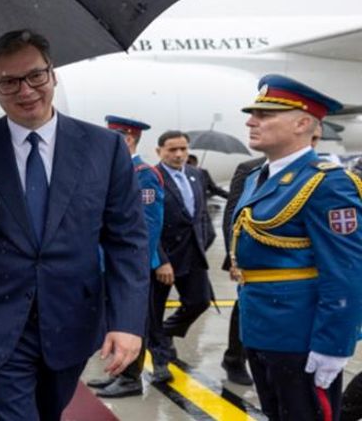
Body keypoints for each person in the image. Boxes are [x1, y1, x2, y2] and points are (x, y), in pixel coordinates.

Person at [0, 29, 149, 420]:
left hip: (71, 322)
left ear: (53, 74)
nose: (26, 90)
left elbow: (127, 241)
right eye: (9, 82)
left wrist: (128, 322)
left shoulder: (104, 148)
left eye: (35, 75)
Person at [232, 74, 362, 420]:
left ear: (303, 124)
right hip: (260, 329)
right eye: (252, 114)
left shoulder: (327, 183)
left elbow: (345, 271)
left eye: (264, 115)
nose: (251, 122)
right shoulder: (256, 178)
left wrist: (334, 345)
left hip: (301, 336)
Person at [87, 115, 164, 398]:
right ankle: (120, 373)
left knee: (132, 320)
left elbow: (149, 226)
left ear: (128, 139)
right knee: (116, 319)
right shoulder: (116, 171)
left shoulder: (143, 174)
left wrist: (134, 266)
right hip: (110, 261)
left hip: (131, 266)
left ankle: (131, 378)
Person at [149, 130, 213, 383]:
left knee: (200, 301)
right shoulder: (151, 177)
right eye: (172, 150)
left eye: (183, 149)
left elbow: (201, 215)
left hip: (192, 253)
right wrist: (160, 260)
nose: (179, 154)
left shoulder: (197, 175)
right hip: (162, 258)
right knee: (153, 311)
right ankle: (160, 361)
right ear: (159, 151)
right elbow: (146, 223)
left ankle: (166, 332)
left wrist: (203, 241)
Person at [219, 156, 265, 386]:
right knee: (245, 305)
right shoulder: (251, 169)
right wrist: (233, 255)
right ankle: (234, 359)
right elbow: (232, 214)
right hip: (253, 255)